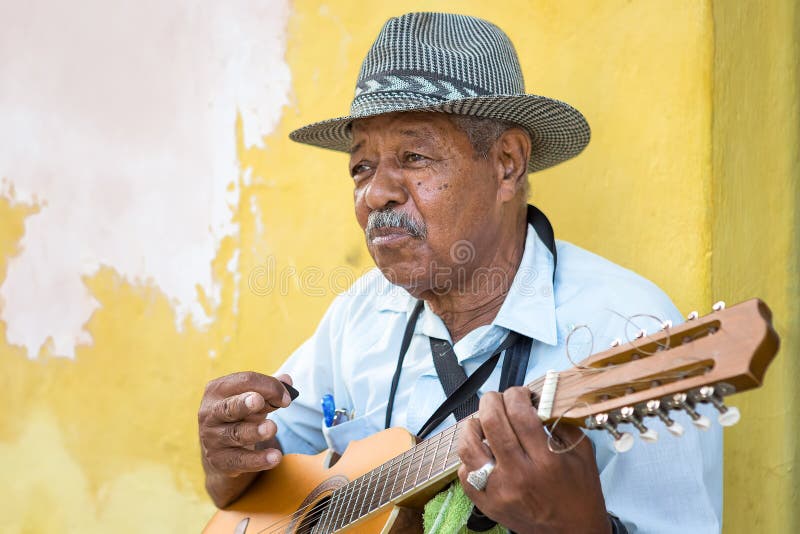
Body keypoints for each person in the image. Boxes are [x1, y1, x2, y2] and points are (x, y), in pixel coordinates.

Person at [198, 12, 722, 533]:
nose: (376, 193)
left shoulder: (632, 331)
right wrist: (224, 463)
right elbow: (253, 490)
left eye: (414, 156)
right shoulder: (360, 314)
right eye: (361, 166)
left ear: (507, 164)